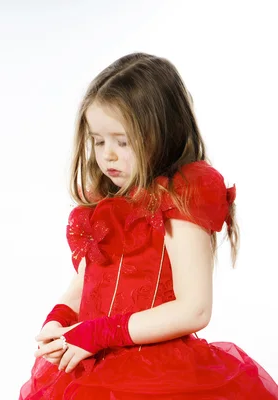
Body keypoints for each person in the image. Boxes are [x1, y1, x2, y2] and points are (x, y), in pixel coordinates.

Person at [18, 52, 278, 399]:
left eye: (122, 141)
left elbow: (195, 308)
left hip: (159, 375)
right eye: (98, 140)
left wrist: (98, 334)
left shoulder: (182, 195)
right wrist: (59, 319)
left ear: (162, 132)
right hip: (90, 369)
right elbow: (84, 285)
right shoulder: (104, 205)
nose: (107, 154)